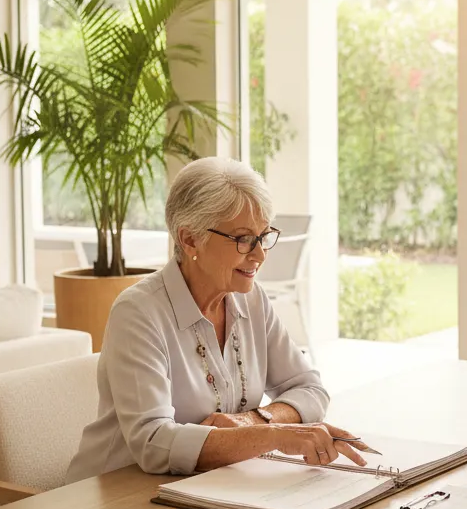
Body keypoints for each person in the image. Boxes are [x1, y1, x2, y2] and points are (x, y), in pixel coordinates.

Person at [67, 158, 367, 482]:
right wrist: (277, 436)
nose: (260, 255)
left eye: (263, 236)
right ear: (190, 239)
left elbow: (310, 389)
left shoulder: (251, 299)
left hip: (202, 488)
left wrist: (256, 421)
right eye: (243, 239)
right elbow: (152, 443)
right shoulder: (138, 313)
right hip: (114, 498)